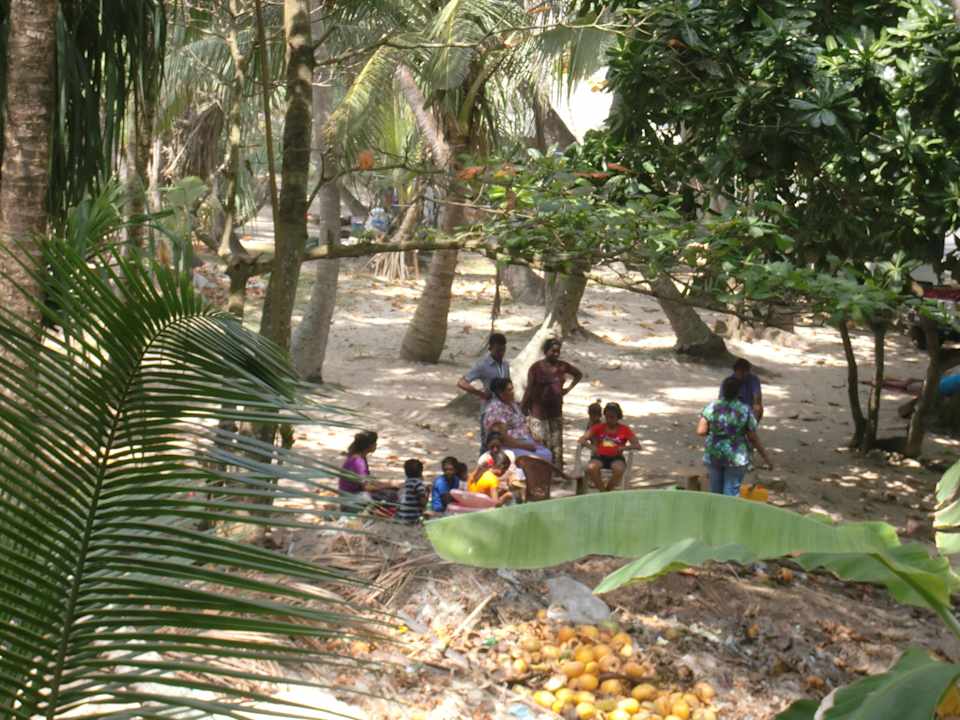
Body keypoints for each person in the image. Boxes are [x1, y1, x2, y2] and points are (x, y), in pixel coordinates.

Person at [698, 377, 773, 496]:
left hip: (714, 453)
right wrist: (766, 458)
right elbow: (753, 437)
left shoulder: (712, 407)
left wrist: (716, 433)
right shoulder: (744, 410)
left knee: (715, 492)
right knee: (731, 494)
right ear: (738, 392)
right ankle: (729, 514)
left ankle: (716, 513)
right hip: (736, 456)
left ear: (723, 390)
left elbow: (701, 431)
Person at [521, 338, 582, 471]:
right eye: (553, 351)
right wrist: (523, 407)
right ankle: (541, 472)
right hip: (538, 412)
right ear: (545, 351)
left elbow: (578, 375)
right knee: (541, 443)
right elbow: (529, 389)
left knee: (557, 444)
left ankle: (557, 472)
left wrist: (567, 389)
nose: (556, 354)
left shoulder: (563, 366)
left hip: (555, 411)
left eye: (558, 351)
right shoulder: (536, 368)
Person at [457, 333, 510, 447]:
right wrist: (480, 393)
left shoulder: (505, 365)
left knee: (503, 443)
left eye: (503, 350)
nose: (501, 353)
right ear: (490, 348)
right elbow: (462, 382)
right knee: (488, 443)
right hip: (489, 410)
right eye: (498, 350)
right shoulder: (482, 365)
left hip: (504, 410)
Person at [484, 378, 552, 462]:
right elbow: (501, 437)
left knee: (547, 453)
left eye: (512, 389)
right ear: (501, 393)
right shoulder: (495, 410)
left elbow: (521, 422)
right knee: (539, 458)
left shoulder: (512, 404)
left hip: (523, 440)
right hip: (510, 446)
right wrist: (524, 446)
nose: (513, 392)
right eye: (509, 390)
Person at [579, 402, 640, 491]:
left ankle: (608, 490)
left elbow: (637, 445)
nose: (609, 420)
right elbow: (582, 439)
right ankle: (602, 491)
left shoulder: (624, 429)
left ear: (618, 417)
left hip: (616, 457)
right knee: (591, 468)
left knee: (619, 469)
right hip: (599, 456)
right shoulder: (599, 427)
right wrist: (592, 447)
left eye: (612, 417)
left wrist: (623, 448)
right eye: (607, 417)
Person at [397, 459, 427, 524]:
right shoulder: (418, 484)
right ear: (421, 472)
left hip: (401, 516)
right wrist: (428, 492)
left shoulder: (405, 483)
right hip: (413, 518)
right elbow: (423, 502)